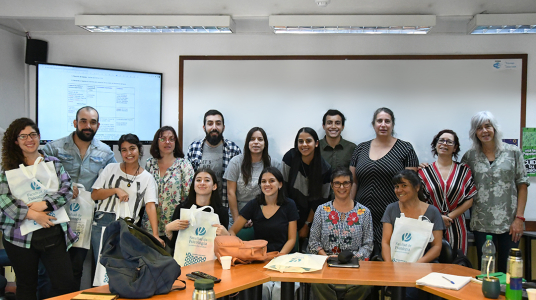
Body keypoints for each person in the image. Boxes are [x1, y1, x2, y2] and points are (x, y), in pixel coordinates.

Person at [0, 118, 77, 300]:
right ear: (15, 140)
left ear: (39, 137)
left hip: (52, 232)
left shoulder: (53, 163)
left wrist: (45, 205)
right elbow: (3, 198)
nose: (29, 139)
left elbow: (67, 188)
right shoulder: (7, 168)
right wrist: (33, 214)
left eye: (33, 134)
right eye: (23, 136)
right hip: (19, 237)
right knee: (26, 286)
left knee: (65, 284)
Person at [42, 106, 116, 291]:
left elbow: (115, 176)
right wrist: (65, 184)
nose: (87, 125)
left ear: (98, 126)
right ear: (75, 123)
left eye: (92, 122)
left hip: (82, 220)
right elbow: (41, 175)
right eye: (83, 121)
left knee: (76, 268)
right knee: (47, 270)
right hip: (54, 217)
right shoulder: (54, 147)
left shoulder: (106, 152)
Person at [461, 111, 529, 273]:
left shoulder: (513, 152)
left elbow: (522, 185)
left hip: (510, 223)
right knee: (487, 271)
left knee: (510, 271)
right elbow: (457, 179)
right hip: (481, 223)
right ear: (474, 133)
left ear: (494, 128)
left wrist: (519, 218)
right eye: (479, 128)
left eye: (488, 126)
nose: (484, 131)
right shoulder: (470, 156)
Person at [350, 107, 419, 251]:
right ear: (373, 124)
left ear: (392, 124)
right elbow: (353, 182)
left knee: (389, 258)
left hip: (394, 216)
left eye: (387, 121)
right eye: (379, 121)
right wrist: (349, 209)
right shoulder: (360, 149)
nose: (383, 124)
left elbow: (411, 186)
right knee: (363, 260)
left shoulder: (405, 149)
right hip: (363, 215)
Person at [90, 133, 161, 266]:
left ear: (139, 150)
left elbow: (150, 206)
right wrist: (115, 190)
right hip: (103, 221)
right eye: (124, 150)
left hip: (128, 226)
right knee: (101, 268)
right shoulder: (111, 168)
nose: (128, 153)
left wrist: (155, 235)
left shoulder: (147, 178)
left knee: (122, 269)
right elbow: (94, 195)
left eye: (132, 148)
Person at [229, 167, 299, 300]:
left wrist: (280, 257)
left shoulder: (289, 205)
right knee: (262, 288)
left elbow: (291, 239)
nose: (267, 184)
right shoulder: (254, 204)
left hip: (283, 259)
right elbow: (232, 231)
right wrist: (243, 248)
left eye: (272, 181)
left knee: (281, 290)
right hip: (259, 260)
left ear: (280, 184)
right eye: (263, 181)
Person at [308, 167, 373, 300]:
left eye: (346, 183)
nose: (341, 187)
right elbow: (313, 242)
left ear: (352, 184)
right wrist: (326, 257)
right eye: (337, 183)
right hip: (326, 264)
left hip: (355, 265)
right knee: (317, 283)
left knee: (365, 285)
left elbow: (368, 245)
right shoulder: (321, 210)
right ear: (332, 185)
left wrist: (353, 258)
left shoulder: (364, 212)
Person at [381, 170, 444, 300]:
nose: (399, 190)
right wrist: (389, 267)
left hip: (423, 264)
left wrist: (416, 265)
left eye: (404, 185)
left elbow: (437, 247)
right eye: (396, 186)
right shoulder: (391, 209)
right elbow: (385, 242)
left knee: (410, 293)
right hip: (395, 265)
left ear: (417, 187)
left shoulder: (432, 212)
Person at [418, 129, 477, 255]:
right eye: (441, 140)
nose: (444, 144)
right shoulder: (424, 172)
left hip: (456, 225)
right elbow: (420, 201)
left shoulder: (464, 171)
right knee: (431, 265)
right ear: (436, 144)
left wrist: (449, 217)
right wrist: (438, 218)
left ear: (455, 148)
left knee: (456, 266)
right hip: (430, 224)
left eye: (449, 142)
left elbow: (470, 199)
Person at [280, 127, 331, 246]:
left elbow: (321, 201)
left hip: (311, 218)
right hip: (287, 213)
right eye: (300, 141)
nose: (304, 145)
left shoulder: (325, 169)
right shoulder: (290, 157)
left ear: (316, 143)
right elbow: (282, 188)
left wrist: (307, 225)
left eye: (308, 141)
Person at [142, 126, 194, 239]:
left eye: (171, 139)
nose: (167, 142)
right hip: (150, 225)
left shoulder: (184, 165)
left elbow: (189, 197)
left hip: (175, 225)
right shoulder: (150, 164)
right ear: (157, 142)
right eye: (163, 139)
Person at [165, 168, 229, 251]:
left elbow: (225, 247)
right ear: (194, 185)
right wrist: (168, 229)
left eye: (207, 180)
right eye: (198, 180)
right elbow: (173, 245)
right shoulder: (182, 209)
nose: (202, 183)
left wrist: (226, 235)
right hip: (185, 260)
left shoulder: (221, 212)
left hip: (211, 261)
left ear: (214, 186)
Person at [186, 109, 241, 208]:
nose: (214, 127)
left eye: (218, 124)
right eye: (210, 123)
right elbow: (189, 180)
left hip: (224, 206)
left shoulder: (233, 149)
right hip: (198, 206)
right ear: (204, 127)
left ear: (223, 127)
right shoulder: (193, 148)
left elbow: (239, 183)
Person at [223, 127, 274, 228]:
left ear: (265, 143)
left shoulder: (273, 164)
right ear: (247, 143)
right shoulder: (235, 162)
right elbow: (231, 193)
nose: (256, 142)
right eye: (252, 139)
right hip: (238, 212)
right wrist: (238, 219)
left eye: (260, 139)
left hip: (264, 214)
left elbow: (275, 195)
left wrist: (261, 216)